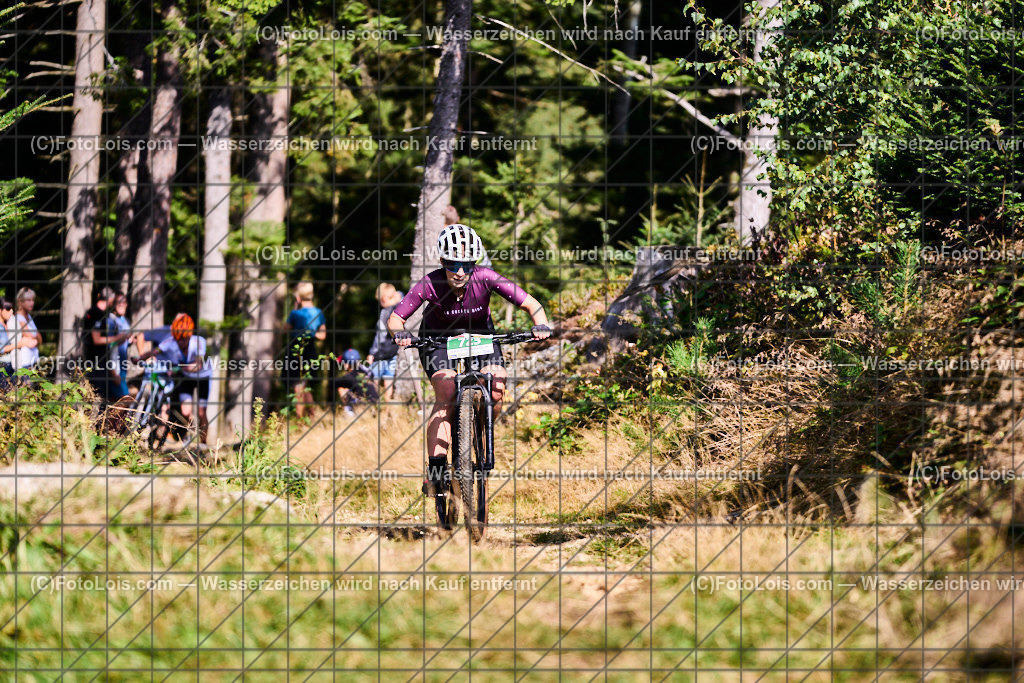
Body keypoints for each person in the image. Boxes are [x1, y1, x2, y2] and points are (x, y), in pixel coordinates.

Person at [388, 223, 552, 497]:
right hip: (437, 339)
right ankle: (437, 471)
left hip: (480, 336)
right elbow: (396, 318)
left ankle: (481, 431)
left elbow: (532, 305)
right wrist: (400, 334)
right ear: (442, 261)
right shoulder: (431, 283)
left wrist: (541, 325)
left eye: (467, 264)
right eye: (453, 264)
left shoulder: (486, 277)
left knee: (497, 387)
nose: (460, 272)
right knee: (447, 390)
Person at [137, 313, 212, 450]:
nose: (180, 343)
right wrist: (140, 358)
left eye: (183, 339)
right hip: (186, 377)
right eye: (178, 340)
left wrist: (178, 368)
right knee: (185, 411)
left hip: (203, 377)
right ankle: (188, 434)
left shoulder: (199, 342)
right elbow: (154, 352)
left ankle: (203, 443)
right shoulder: (170, 341)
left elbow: (197, 365)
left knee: (201, 412)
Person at [284, 282, 327, 418]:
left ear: (298, 298)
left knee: (298, 386)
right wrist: (311, 333)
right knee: (304, 385)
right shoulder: (318, 312)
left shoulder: (295, 314)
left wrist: (295, 308)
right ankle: (312, 417)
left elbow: (285, 329)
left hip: (296, 350)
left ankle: (300, 420)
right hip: (311, 349)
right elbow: (322, 335)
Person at [82, 287, 132, 401]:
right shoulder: (97, 314)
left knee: (108, 401)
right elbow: (97, 339)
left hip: (102, 364)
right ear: (110, 300)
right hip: (97, 364)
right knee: (103, 401)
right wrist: (119, 337)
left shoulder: (100, 314)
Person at [366, 283, 404, 403]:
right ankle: (387, 407)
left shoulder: (385, 313)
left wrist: (372, 353)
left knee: (373, 379)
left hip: (381, 353)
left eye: (380, 301)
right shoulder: (401, 307)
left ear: (384, 299)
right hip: (393, 352)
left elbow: (380, 336)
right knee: (388, 381)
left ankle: (374, 405)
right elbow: (402, 295)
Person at [331, 348, 379, 417]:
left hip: (362, 409)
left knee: (341, 387)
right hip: (375, 405)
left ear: (346, 364)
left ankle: (350, 413)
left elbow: (332, 384)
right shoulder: (367, 370)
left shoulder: (349, 377)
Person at [14, 287, 41, 373]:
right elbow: (30, 336)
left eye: (33, 300)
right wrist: (35, 339)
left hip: (33, 360)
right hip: (24, 362)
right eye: (28, 300)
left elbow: (39, 339)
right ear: (20, 301)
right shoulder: (18, 318)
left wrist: (34, 339)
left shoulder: (29, 317)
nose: (32, 303)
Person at [0, 296, 18, 390]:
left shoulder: (9, 323)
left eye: (12, 308)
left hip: (10, 364)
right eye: (7, 309)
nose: (11, 311)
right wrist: (18, 345)